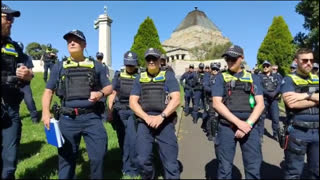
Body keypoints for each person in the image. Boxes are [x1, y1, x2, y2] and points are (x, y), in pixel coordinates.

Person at [41, 29, 112, 179]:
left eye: (76, 40)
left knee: (98, 156)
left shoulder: (96, 66)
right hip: (68, 119)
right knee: (66, 160)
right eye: (69, 41)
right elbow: (48, 91)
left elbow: (109, 87)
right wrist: (45, 113)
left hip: (92, 118)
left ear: (84, 44)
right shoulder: (59, 66)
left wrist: (100, 94)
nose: (71, 42)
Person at [212, 45, 265, 179]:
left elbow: (260, 104)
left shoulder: (253, 78)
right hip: (226, 127)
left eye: (233, 58)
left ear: (242, 58)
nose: (230, 61)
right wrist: (238, 123)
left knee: (253, 167)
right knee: (224, 168)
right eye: (227, 58)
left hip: (250, 127)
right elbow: (216, 103)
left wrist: (247, 124)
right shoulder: (220, 77)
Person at [129, 48, 181, 179]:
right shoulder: (139, 78)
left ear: (160, 60)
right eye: (148, 59)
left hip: (165, 121)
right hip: (144, 122)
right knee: (142, 160)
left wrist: (161, 117)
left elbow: (176, 99)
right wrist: (146, 117)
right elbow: (132, 102)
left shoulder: (168, 76)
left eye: (154, 58)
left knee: (171, 162)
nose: (151, 61)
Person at [1, 4, 34, 179]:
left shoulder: (14, 47)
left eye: (12, 19)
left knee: (10, 161)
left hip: (11, 109)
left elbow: (29, 74)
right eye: (7, 18)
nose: (11, 22)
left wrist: (27, 74)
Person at [281, 48, 319, 179]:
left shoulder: (316, 79)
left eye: (311, 60)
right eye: (305, 60)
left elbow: (298, 99)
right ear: (296, 61)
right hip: (298, 132)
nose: (309, 63)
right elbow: (292, 104)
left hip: (317, 133)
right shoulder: (289, 80)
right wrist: (315, 99)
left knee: (317, 172)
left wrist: (305, 95)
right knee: (293, 173)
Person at [107, 51, 139, 177]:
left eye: (132, 65)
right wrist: (109, 112)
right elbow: (113, 93)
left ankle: (133, 168)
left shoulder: (140, 76)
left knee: (132, 139)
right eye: (128, 65)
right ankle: (125, 166)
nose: (130, 67)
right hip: (120, 112)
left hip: (133, 112)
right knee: (122, 140)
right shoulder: (119, 75)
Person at [258, 60, 281, 142]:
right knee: (261, 118)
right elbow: (259, 87)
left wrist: (275, 92)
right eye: (264, 66)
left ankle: (276, 134)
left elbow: (279, 85)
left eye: (267, 66)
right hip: (264, 99)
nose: (265, 67)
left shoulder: (276, 76)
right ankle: (260, 135)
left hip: (274, 99)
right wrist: (268, 93)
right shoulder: (259, 76)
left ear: (270, 67)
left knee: (275, 118)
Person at [17, 41, 39, 123]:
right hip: (14, 84)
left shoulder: (26, 58)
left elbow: (31, 72)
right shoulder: (11, 57)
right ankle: (14, 118)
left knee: (29, 101)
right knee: (13, 103)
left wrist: (27, 74)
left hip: (25, 84)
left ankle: (34, 118)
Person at [203, 62, 220, 141]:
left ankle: (218, 131)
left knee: (220, 117)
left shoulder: (221, 77)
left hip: (221, 101)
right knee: (211, 116)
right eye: (213, 69)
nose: (215, 71)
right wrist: (214, 90)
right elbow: (205, 87)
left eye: (216, 69)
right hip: (211, 100)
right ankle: (210, 133)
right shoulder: (208, 77)